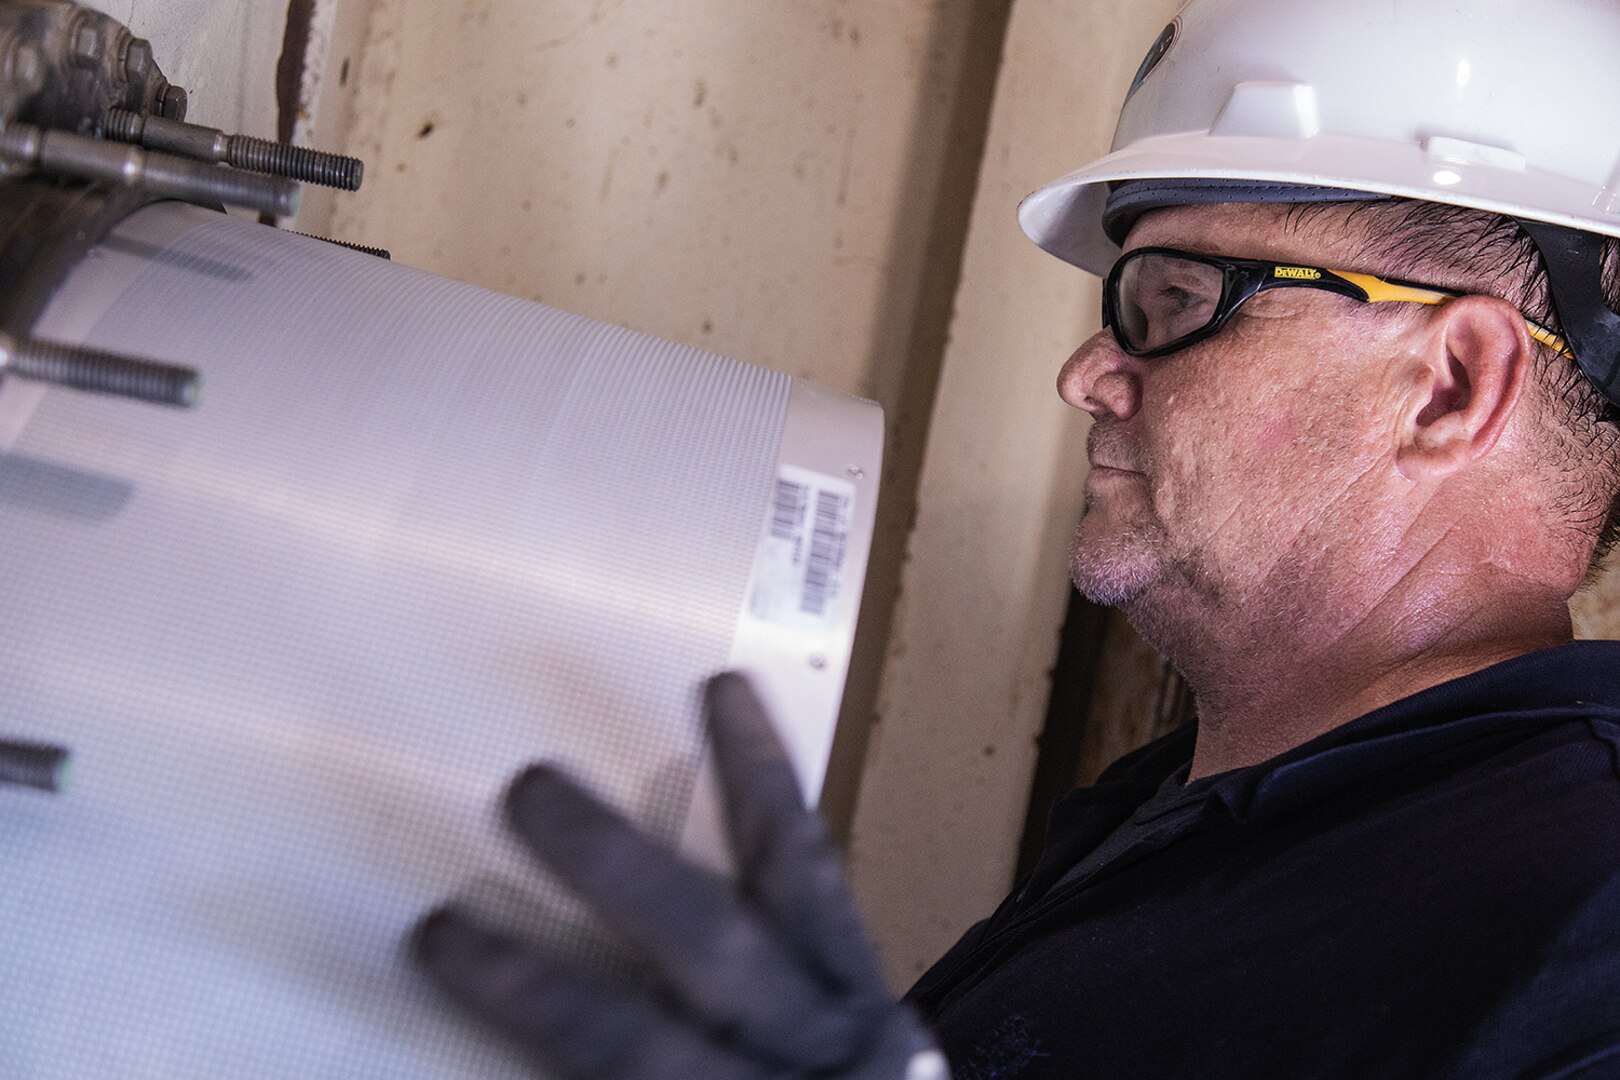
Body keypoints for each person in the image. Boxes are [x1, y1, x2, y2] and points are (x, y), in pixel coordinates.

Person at [412, 0, 1620, 1075]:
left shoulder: (1586, 926)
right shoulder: (1187, 811)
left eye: (1177, 301)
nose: (1087, 374)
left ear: (1451, 385)